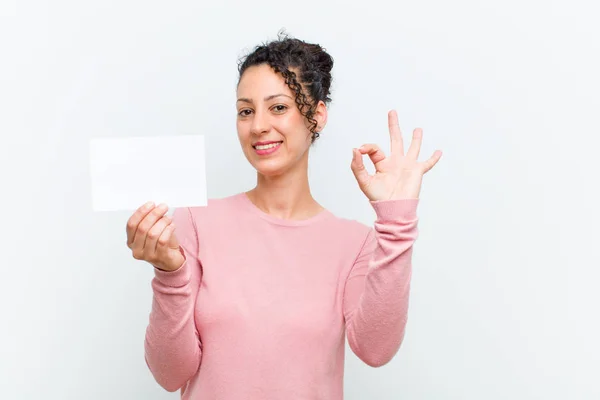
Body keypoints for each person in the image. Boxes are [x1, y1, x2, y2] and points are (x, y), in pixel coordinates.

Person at [125, 32, 442, 399]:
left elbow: (375, 350)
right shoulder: (196, 223)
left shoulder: (354, 244)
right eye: (246, 110)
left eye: (278, 107)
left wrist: (396, 223)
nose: (258, 125)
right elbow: (169, 374)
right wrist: (170, 274)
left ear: (317, 115)